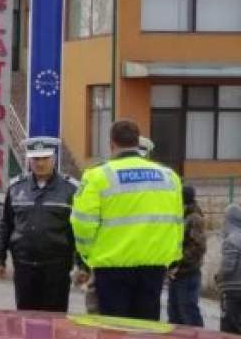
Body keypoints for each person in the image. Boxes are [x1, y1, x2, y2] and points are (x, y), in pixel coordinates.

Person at [71, 119, 184, 321]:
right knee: (146, 329)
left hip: (112, 267)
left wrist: (87, 256)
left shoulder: (97, 176)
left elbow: (82, 222)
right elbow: (176, 222)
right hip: (153, 267)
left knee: (114, 330)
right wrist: (173, 258)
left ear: (112, 144)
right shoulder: (169, 176)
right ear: (137, 142)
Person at [0, 137, 79, 312]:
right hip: (24, 266)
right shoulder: (16, 188)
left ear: (54, 159)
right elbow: (6, 226)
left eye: (45, 159)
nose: (40, 163)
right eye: (35, 159)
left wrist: (82, 265)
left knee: (55, 321)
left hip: (57, 268)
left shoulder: (70, 189)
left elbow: (78, 231)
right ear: (29, 160)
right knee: (26, 319)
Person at [167, 185, 207, 327]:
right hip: (177, 274)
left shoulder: (194, 218)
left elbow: (198, 247)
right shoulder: (181, 216)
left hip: (188, 273)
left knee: (188, 314)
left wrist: (178, 263)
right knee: (174, 314)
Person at [217, 203, 241, 335]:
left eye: (224, 218)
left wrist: (218, 277)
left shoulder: (231, 240)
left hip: (232, 289)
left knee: (229, 327)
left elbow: (228, 267)